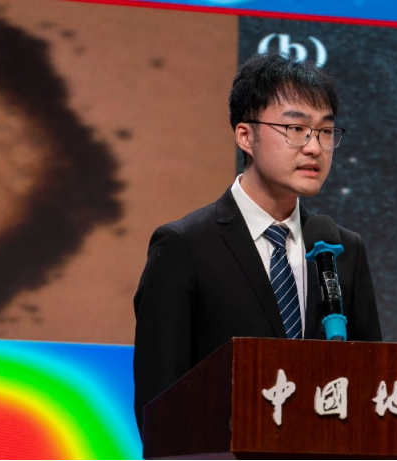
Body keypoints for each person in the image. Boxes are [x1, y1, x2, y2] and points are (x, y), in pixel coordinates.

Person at [132, 52, 382, 437]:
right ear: (245, 136)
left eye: (325, 131)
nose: (314, 147)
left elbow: (372, 384)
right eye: (295, 128)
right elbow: (159, 402)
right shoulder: (184, 246)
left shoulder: (342, 249)